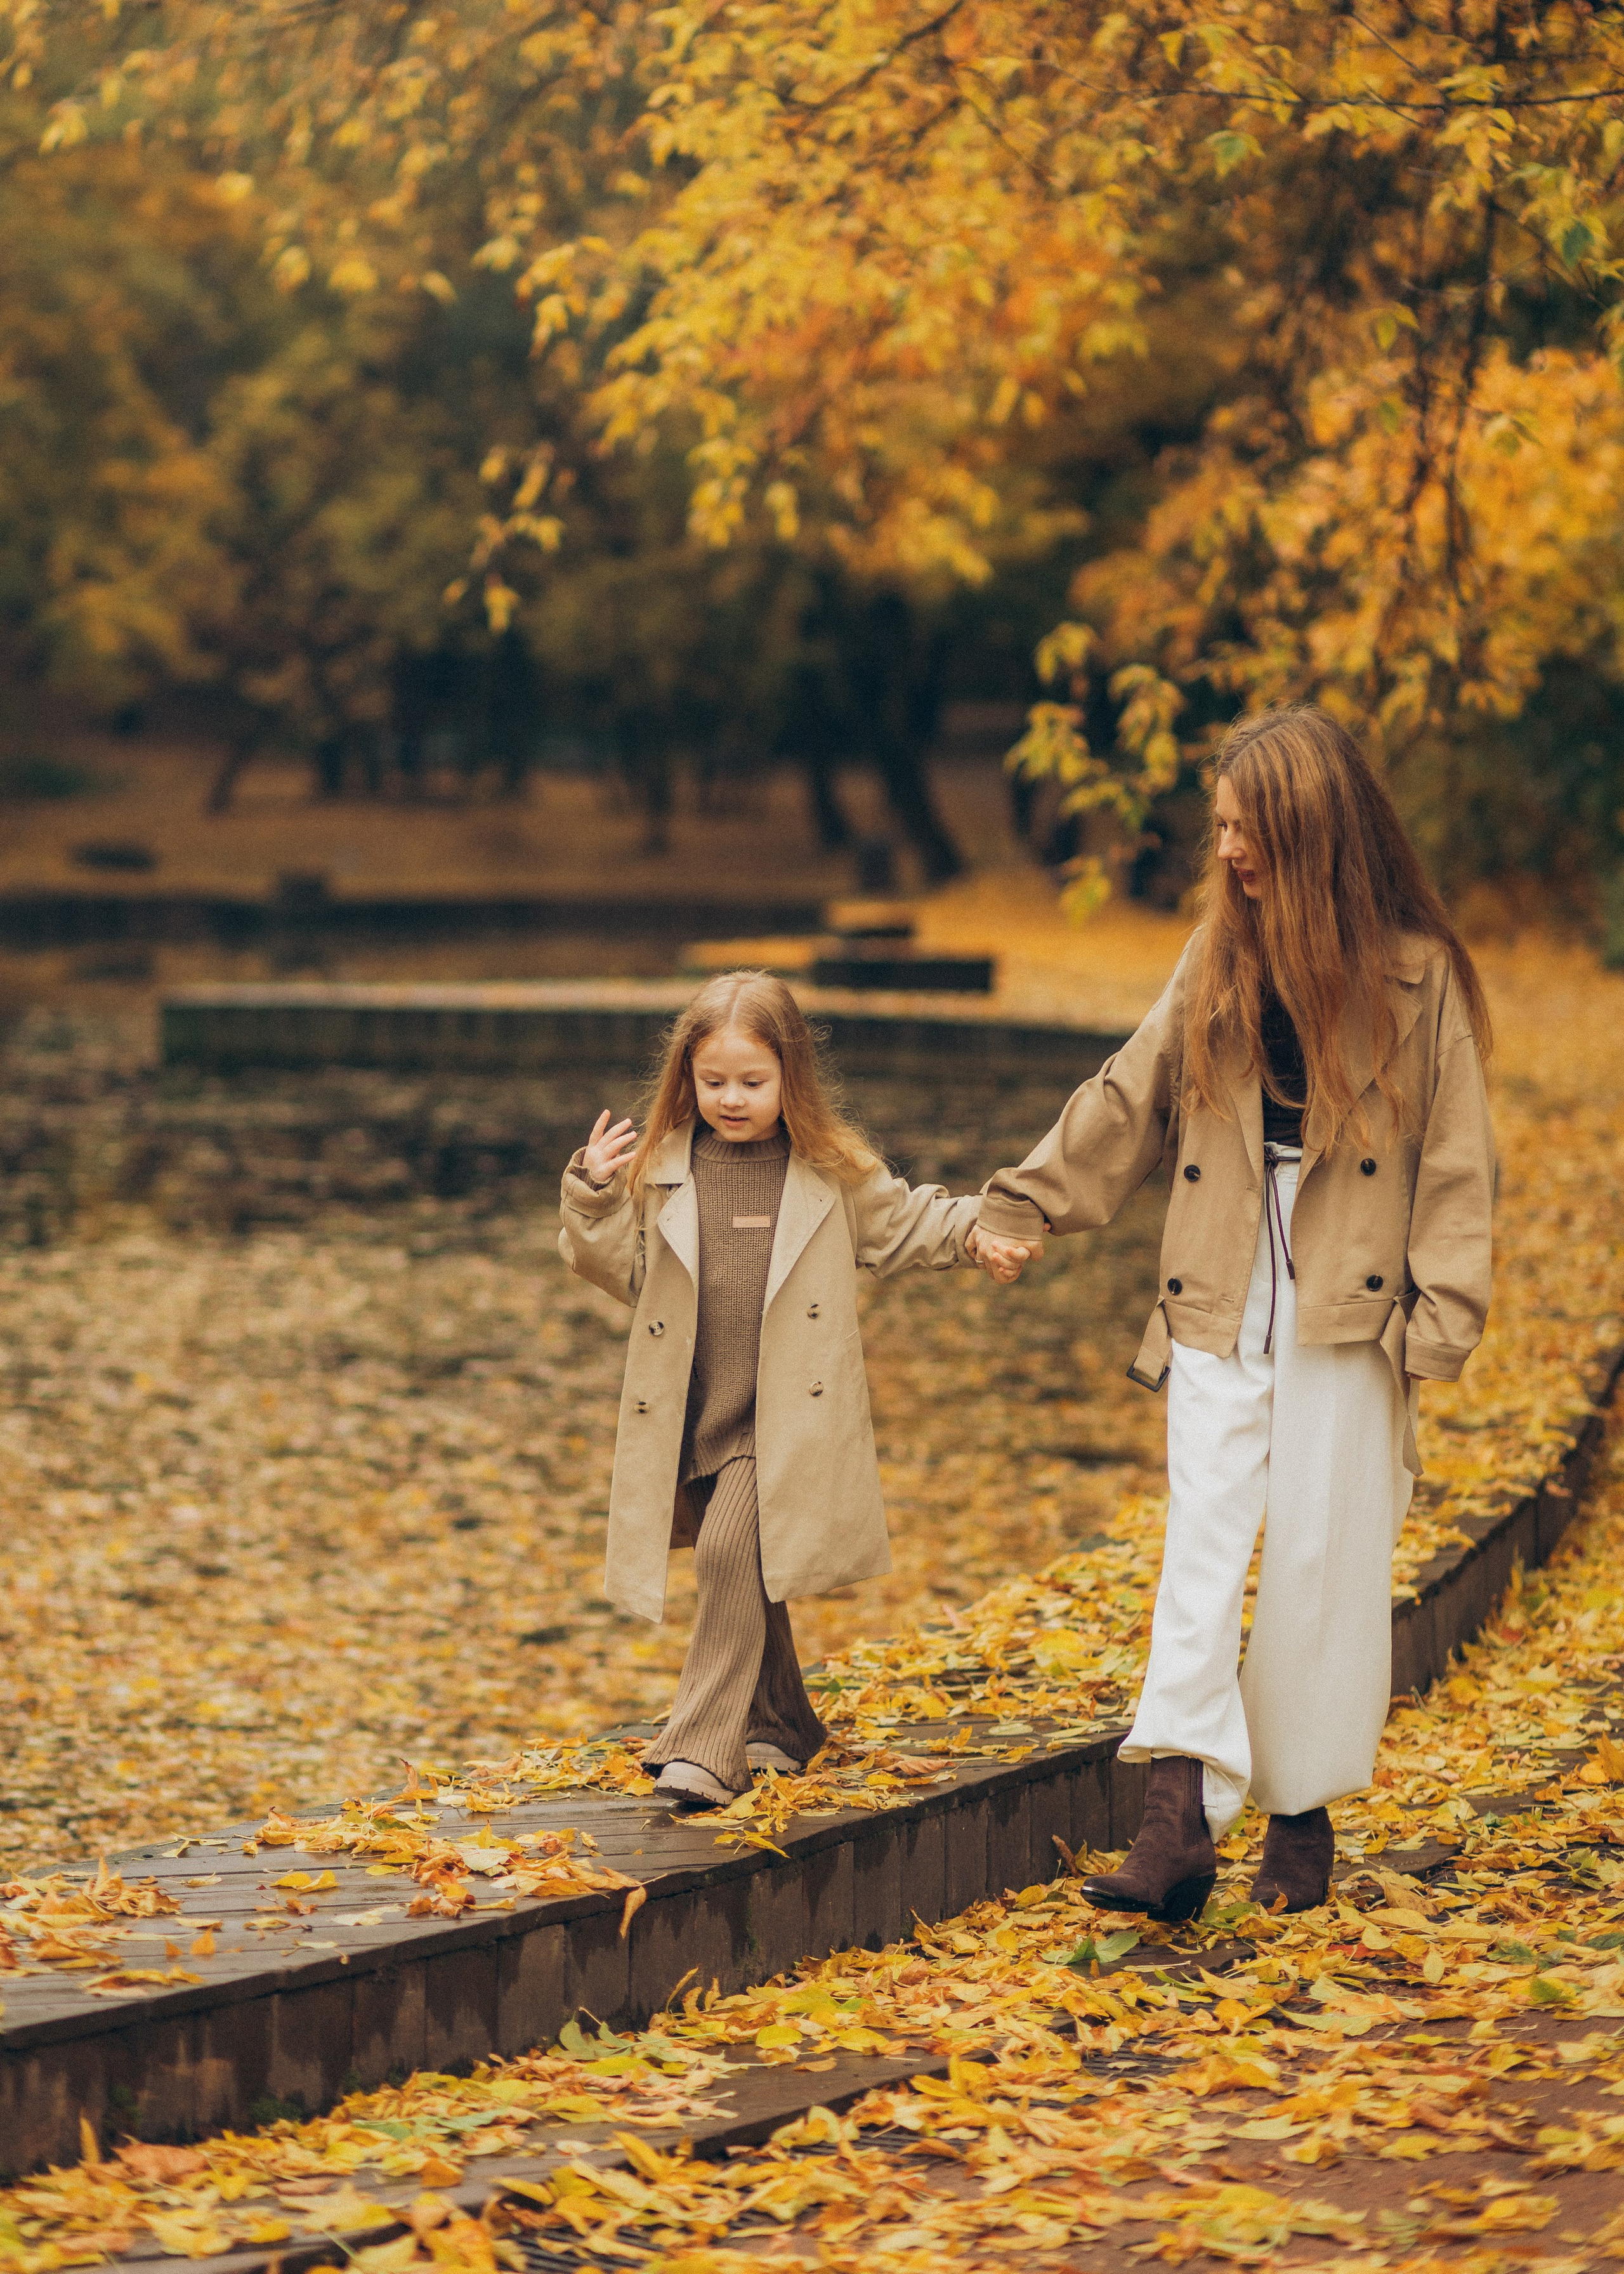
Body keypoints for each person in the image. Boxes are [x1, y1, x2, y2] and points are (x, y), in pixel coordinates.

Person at [972, 706, 1495, 1917]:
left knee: (1321, 1559)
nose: (1226, 850)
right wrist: (1028, 1202)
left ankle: (1299, 1816)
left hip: (1353, 1294)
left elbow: (1459, 1159)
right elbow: (1132, 1094)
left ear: (1311, 831)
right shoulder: (1216, 956)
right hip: (1220, 1275)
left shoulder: (1420, 977)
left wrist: (1443, 1313)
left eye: (1245, 828)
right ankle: (1176, 1825)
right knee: (1202, 1549)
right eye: (1219, 827)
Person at [559, 970, 985, 1809]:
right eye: (713, 1082)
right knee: (754, 1561)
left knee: (729, 1553)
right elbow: (624, 1272)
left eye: (752, 1082)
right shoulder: (664, 1170)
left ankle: (703, 1748)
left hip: (784, 1422)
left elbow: (911, 1225)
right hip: (696, 1413)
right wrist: (593, 1195)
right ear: (686, 1079)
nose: (732, 1099)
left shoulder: (831, 1172)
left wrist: (985, 1226)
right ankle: (782, 1722)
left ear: (791, 1076)